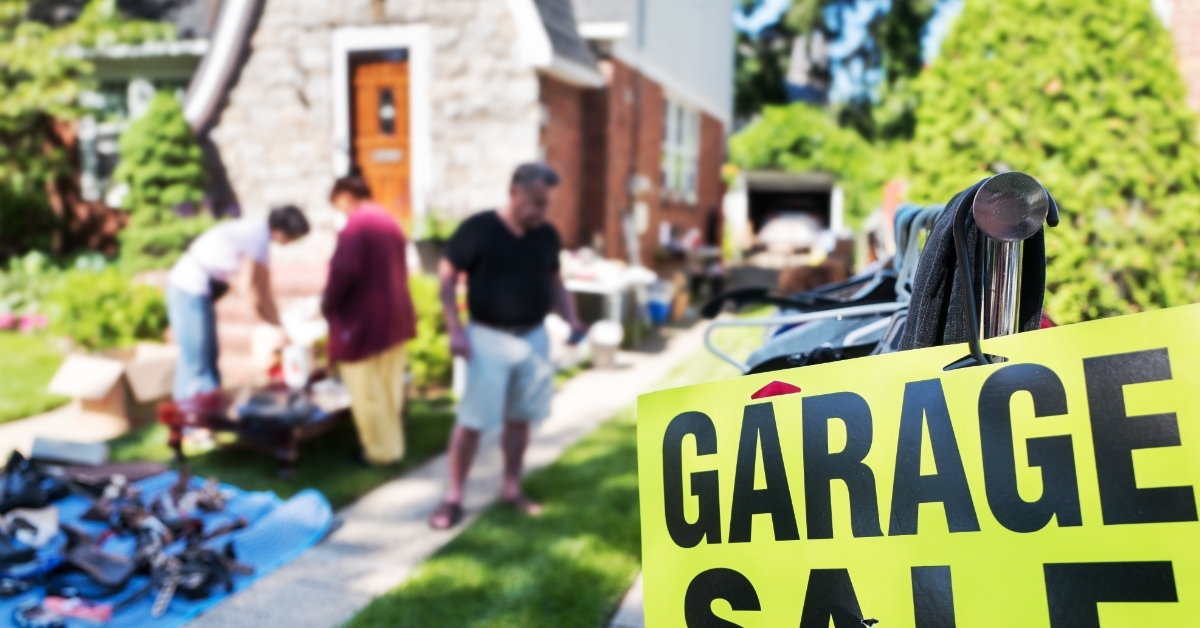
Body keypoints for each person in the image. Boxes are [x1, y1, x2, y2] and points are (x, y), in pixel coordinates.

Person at [429, 163, 586, 529]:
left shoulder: (546, 235)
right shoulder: (479, 229)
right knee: (472, 422)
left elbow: (556, 282)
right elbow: (448, 274)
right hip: (487, 338)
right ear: (515, 192)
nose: (541, 212)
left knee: (520, 421)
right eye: (535, 203)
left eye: (546, 204)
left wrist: (571, 317)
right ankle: (453, 496)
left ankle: (511, 489)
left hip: (533, 337)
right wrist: (454, 329)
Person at [167, 206, 310, 401]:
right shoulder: (257, 237)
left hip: (201, 293)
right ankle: (187, 420)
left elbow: (264, 291)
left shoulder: (260, 237)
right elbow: (249, 287)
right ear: (285, 231)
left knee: (210, 356)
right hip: (188, 289)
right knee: (196, 359)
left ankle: (209, 412)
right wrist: (265, 326)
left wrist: (279, 327)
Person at [322, 175, 417, 467]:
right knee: (389, 389)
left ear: (346, 195)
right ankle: (393, 447)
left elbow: (342, 273)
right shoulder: (390, 222)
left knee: (367, 392)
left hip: (364, 321)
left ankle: (378, 452)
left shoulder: (357, 226)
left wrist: (327, 304)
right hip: (395, 317)